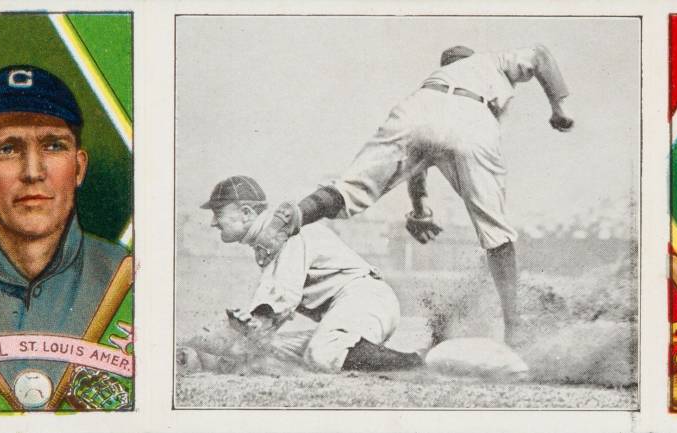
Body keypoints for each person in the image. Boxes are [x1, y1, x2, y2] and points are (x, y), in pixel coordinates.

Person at [252, 44, 576, 346]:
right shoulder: (489, 62)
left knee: (350, 188)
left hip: (415, 111)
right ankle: (514, 327)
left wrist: (420, 210)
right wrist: (558, 107)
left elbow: (415, 165)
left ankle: (297, 213)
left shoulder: (435, 82)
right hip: (473, 115)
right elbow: (540, 54)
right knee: (496, 232)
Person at [0, 65, 129, 405]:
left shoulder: (127, 276)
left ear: (78, 167)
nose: (33, 172)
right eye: (7, 148)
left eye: (53, 145)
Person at [200, 175, 423, 372]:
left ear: (246, 212)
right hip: (352, 309)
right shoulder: (270, 239)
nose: (212, 222)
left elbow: (282, 298)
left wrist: (253, 325)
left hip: (365, 300)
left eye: (218, 212)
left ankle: (417, 364)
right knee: (268, 350)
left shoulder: (284, 231)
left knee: (322, 354)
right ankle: (363, 353)